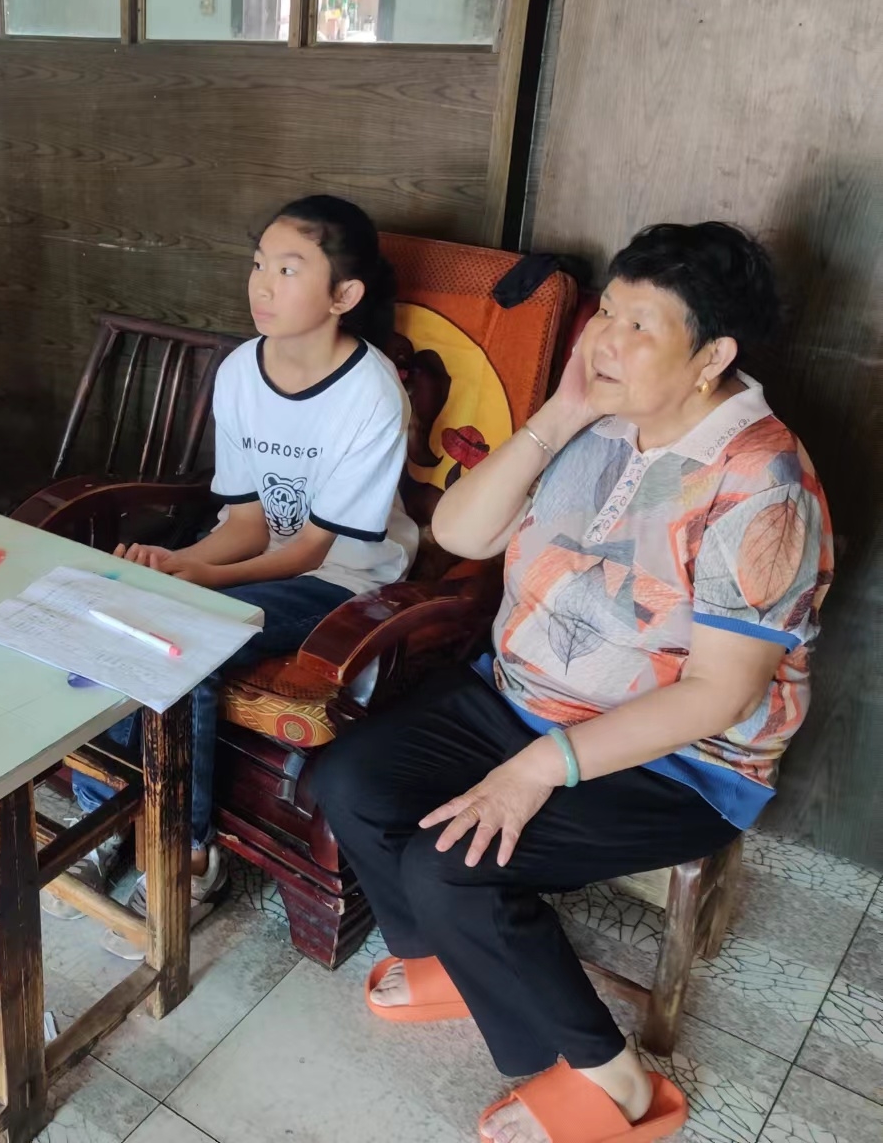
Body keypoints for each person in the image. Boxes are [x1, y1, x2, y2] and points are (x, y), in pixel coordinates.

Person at [310, 222, 834, 1143]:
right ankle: (450, 964)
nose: (605, 341)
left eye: (639, 326)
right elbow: (463, 535)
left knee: (450, 865)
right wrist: (558, 416)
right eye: (608, 313)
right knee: (347, 780)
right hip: (516, 695)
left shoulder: (763, 484)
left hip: (680, 760)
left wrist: (533, 771)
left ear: (712, 357)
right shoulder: (600, 416)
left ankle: (617, 1083)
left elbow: (718, 696)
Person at [61, 194, 416, 960]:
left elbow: (311, 551)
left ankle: (190, 859)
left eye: (289, 270)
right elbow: (250, 524)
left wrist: (195, 577)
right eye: (259, 264)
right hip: (265, 555)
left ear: (344, 295)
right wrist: (179, 566)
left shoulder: (372, 394)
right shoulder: (240, 372)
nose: (262, 284)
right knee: (115, 609)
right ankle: (107, 818)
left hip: (344, 581)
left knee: (185, 641)